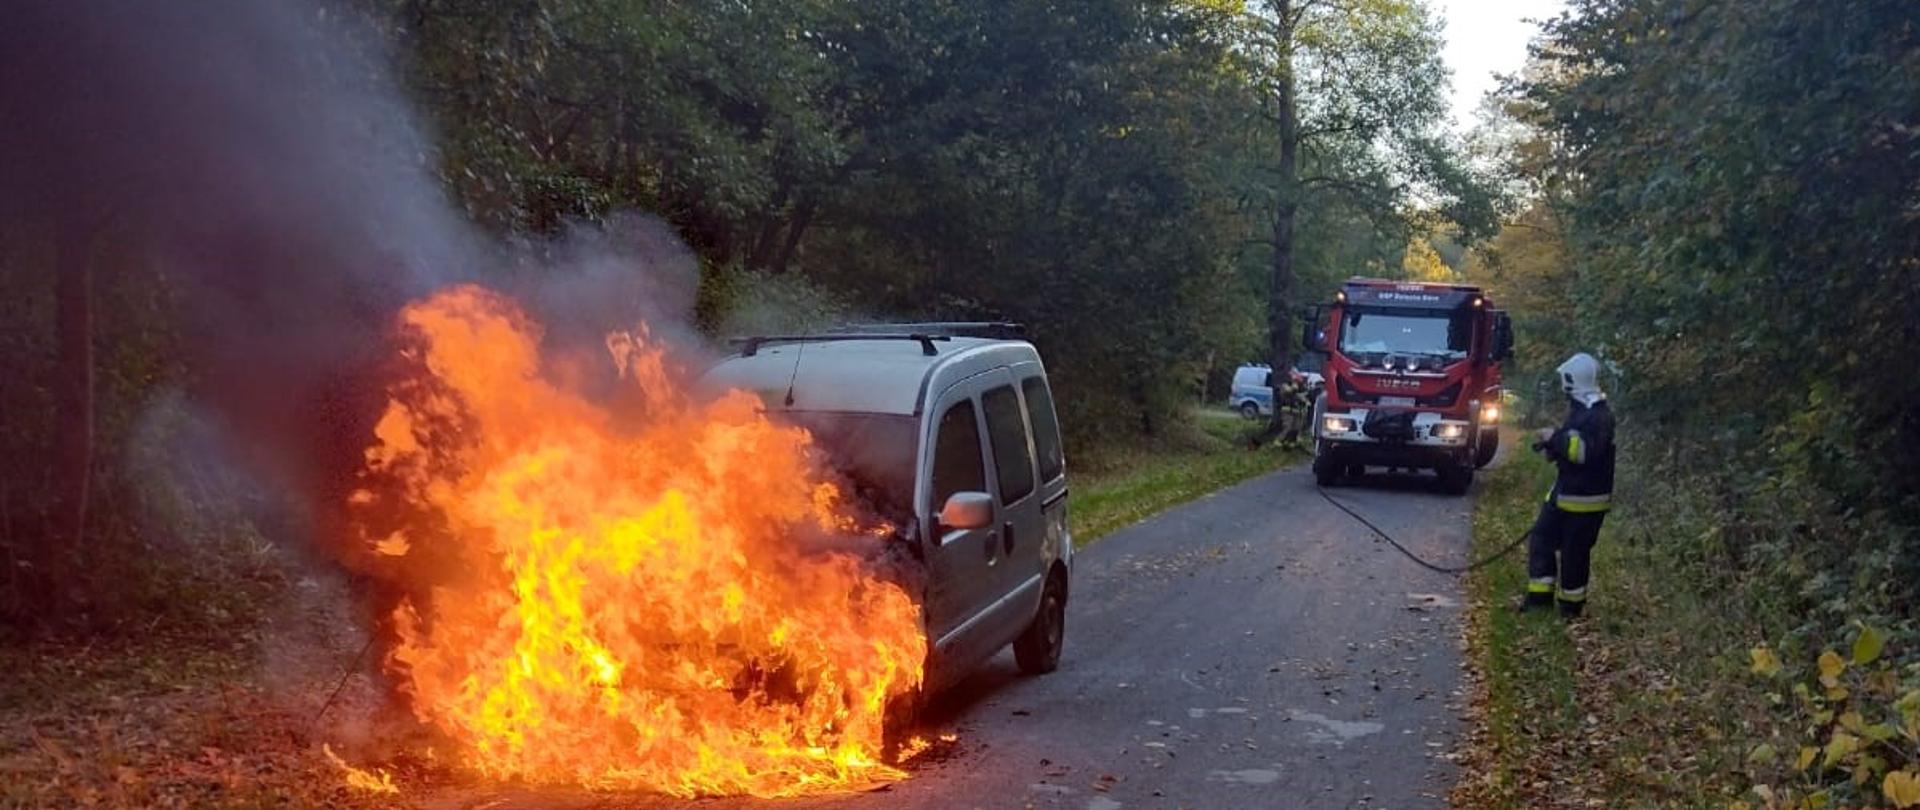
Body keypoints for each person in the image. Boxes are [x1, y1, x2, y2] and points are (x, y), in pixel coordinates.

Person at [1521, 353, 1616, 618]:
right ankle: (1538, 602)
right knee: (1541, 539)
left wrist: (1556, 437)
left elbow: (1583, 452)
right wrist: (1551, 445)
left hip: (1586, 500)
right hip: (1564, 493)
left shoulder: (1599, 416)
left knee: (1575, 555)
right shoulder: (1580, 410)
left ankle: (1570, 609)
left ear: (1573, 379)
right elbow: (1570, 446)